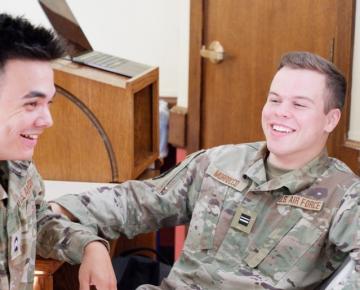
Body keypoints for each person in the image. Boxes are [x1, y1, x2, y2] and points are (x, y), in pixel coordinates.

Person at [52, 51, 360, 289]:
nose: (281, 112)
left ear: (330, 120)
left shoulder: (343, 195)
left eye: (299, 105)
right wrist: (71, 218)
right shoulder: (222, 163)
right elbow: (137, 201)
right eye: (275, 99)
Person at [0, 13, 116, 290]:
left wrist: (88, 246)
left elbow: (34, 219)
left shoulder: (15, 163)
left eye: (48, 102)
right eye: (31, 104)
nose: (47, 120)